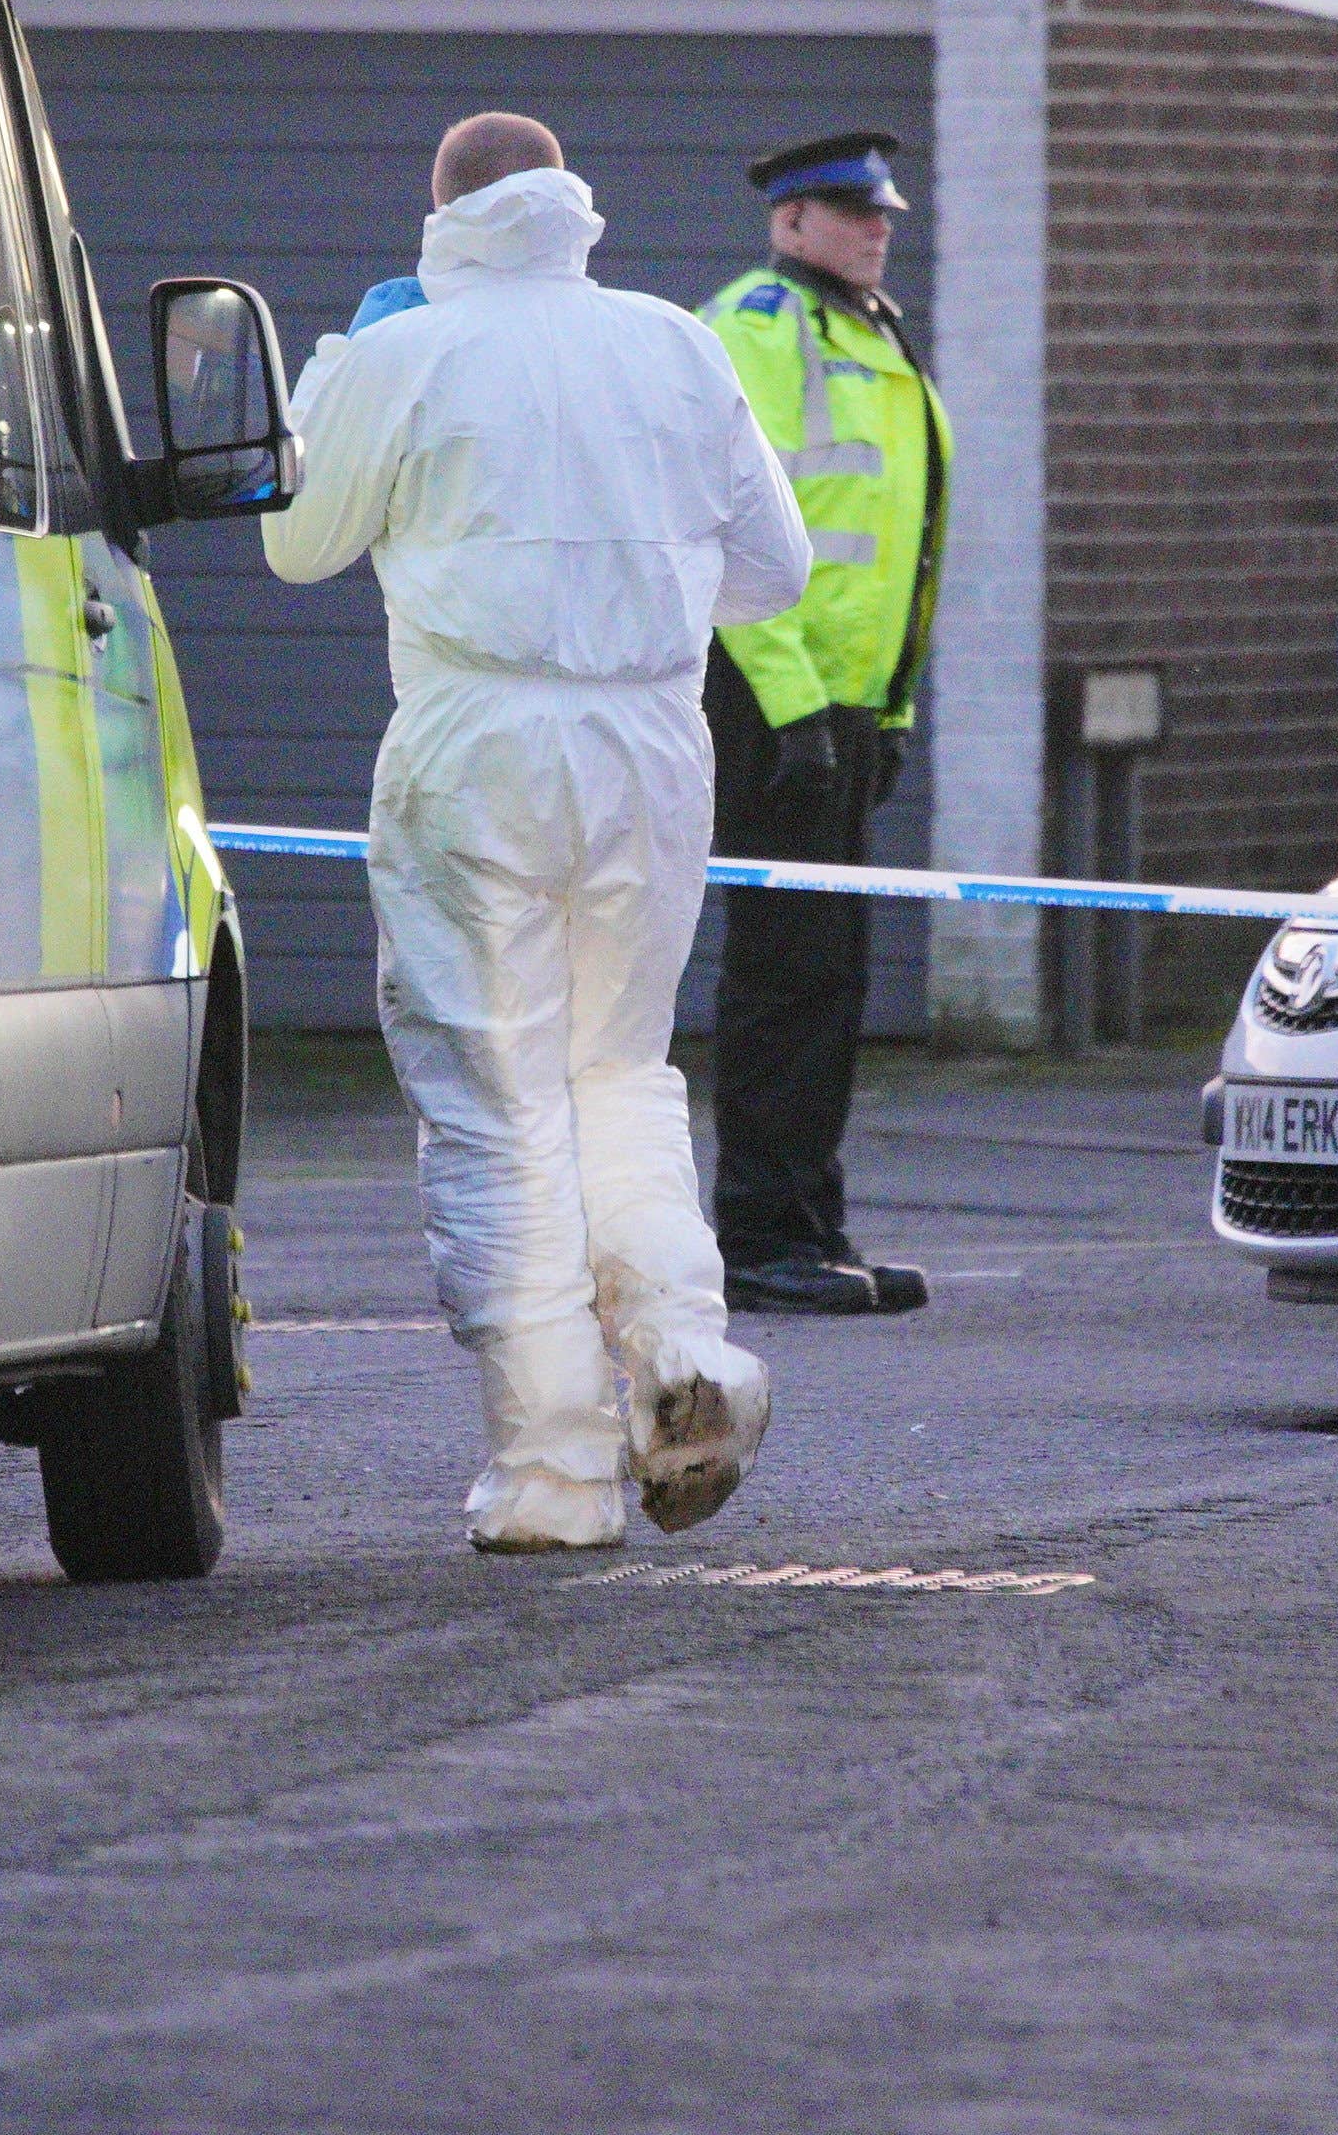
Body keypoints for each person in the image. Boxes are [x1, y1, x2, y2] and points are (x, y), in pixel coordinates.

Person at [264, 112, 812, 1554]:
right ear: (572, 204)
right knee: (618, 1071)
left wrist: (336, 371)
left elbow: (297, 542)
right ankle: (685, 1350)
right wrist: (639, 583)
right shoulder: (677, 346)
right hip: (652, 745)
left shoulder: (406, 349)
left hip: (476, 744)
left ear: (442, 211)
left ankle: (555, 1473)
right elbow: (777, 571)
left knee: (497, 1100)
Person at [693, 131, 951, 1319]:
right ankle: (760, 1237)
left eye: (884, 212)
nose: (878, 228)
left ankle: (809, 1223)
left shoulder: (869, 329)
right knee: (786, 972)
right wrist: (797, 707)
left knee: (831, 975)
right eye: (853, 211)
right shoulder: (758, 325)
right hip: (771, 694)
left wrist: (888, 708)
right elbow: (723, 523)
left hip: (841, 706)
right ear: (790, 220)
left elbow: (900, 539)